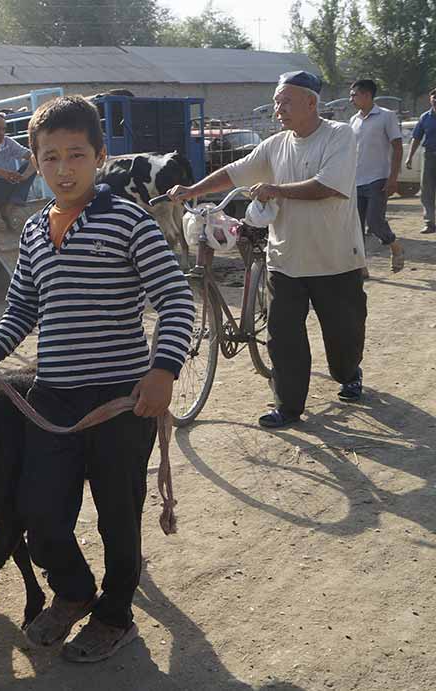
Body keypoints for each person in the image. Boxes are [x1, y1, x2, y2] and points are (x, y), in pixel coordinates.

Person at [0, 95, 194, 664]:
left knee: (118, 515)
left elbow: (175, 298)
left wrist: (163, 371)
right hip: (54, 397)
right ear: (34, 162)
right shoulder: (37, 231)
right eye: (50, 158)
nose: (63, 169)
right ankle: (74, 589)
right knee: (40, 510)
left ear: (100, 157)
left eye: (76, 156)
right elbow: (22, 308)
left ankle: (115, 616)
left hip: (121, 401)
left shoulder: (129, 220)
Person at [169, 70, 368, 428]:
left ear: (311, 103)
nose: (278, 109)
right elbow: (234, 171)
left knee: (344, 336)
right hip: (285, 261)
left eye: (286, 101)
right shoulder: (275, 144)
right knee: (283, 338)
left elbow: (329, 186)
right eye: (276, 101)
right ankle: (288, 407)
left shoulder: (340, 136)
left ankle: (349, 372)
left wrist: (277, 190)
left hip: (336, 260)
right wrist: (191, 190)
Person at [349, 78, 405, 271]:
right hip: (356, 181)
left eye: (354, 95)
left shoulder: (386, 116)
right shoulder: (353, 120)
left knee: (374, 222)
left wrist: (393, 178)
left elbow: (397, 148)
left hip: (378, 179)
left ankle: (395, 246)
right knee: (356, 227)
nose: (351, 99)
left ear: (366, 95)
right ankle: (361, 267)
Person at [406, 87, 436, 234]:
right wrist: (409, 156)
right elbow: (416, 138)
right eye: (434, 97)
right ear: (430, 100)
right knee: (427, 191)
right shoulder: (425, 117)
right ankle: (430, 223)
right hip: (429, 156)